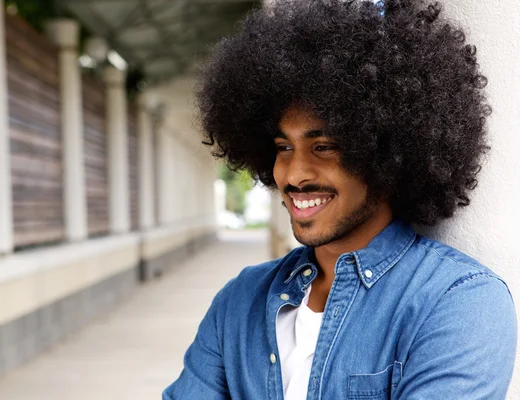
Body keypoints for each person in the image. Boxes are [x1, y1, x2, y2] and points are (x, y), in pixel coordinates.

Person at [163, 0, 517, 398]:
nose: (293, 174)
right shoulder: (239, 301)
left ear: (385, 153)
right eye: (283, 147)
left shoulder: (459, 302)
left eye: (324, 147)